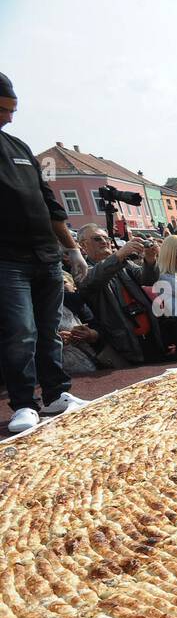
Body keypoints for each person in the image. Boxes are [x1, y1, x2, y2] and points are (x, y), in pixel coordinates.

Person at [1, 71, 90, 432]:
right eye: (4, 108)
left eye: (13, 109)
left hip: (46, 257)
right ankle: (24, 403)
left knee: (49, 328)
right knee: (20, 332)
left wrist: (72, 249)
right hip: (6, 260)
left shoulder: (20, 148)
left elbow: (49, 202)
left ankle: (56, 394)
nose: (9, 116)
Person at [76, 226, 168, 366]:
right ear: (83, 245)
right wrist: (119, 255)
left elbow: (148, 280)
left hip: (149, 336)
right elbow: (91, 281)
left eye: (106, 238)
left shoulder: (124, 264)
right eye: (97, 238)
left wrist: (150, 259)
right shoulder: (82, 268)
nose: (104, 242)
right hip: (122, 345)